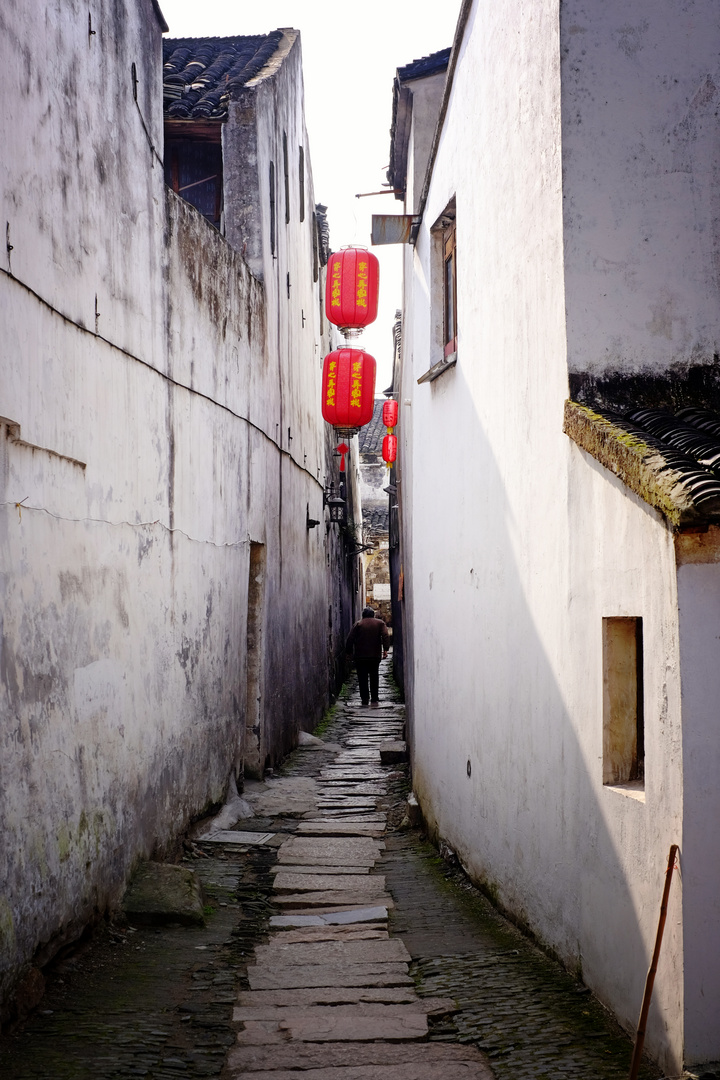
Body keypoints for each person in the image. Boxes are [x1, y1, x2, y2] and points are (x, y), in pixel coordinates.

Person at [346, 607, 390, 707]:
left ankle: (364, 698)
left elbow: (350, 638)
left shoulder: (358, 624)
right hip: (375, 656)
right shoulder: (380, 623)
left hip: (360, 656)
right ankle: (374, 697)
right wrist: (386, 649)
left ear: (363, 615)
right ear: (373, 615)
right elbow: (385, 635)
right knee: (374, 677)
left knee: (362, 678)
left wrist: (348, 652)